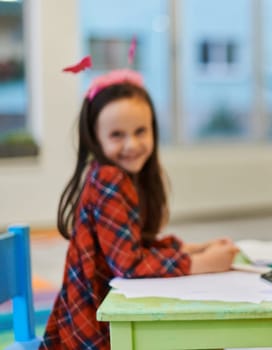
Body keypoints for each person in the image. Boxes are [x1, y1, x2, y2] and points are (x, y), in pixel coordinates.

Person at [40, 68, 238, 350]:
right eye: (117, 135)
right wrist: (203, 263)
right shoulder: (108, 178)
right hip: (97, 325)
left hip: (102, 311)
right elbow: (128, 263)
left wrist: (193, 249)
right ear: (95, 138)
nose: (131, 144)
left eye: (140, 131)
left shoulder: (122, 176)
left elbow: (133, 247)